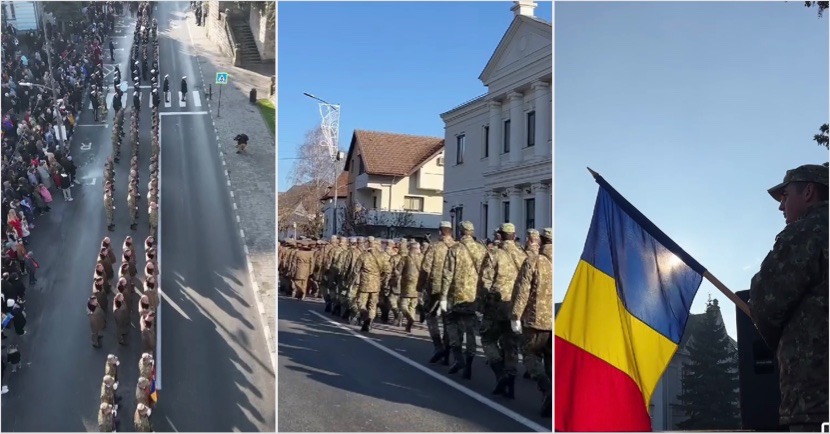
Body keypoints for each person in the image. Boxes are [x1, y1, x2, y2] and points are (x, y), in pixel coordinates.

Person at [750, 163, 829, 432]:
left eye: (785, 196)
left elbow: (764, 305)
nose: (781, 207)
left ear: (808, 192)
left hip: (816, 401)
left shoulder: (807, 233)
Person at [511, 227, 553, 417]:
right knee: (551, 358)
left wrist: (515, 315)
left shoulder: (534, 261)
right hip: (557, 320)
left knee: (530, 354)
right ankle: (553, 393)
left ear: (541, 240)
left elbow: (522, 291)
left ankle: (546, 387)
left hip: (535, 318)